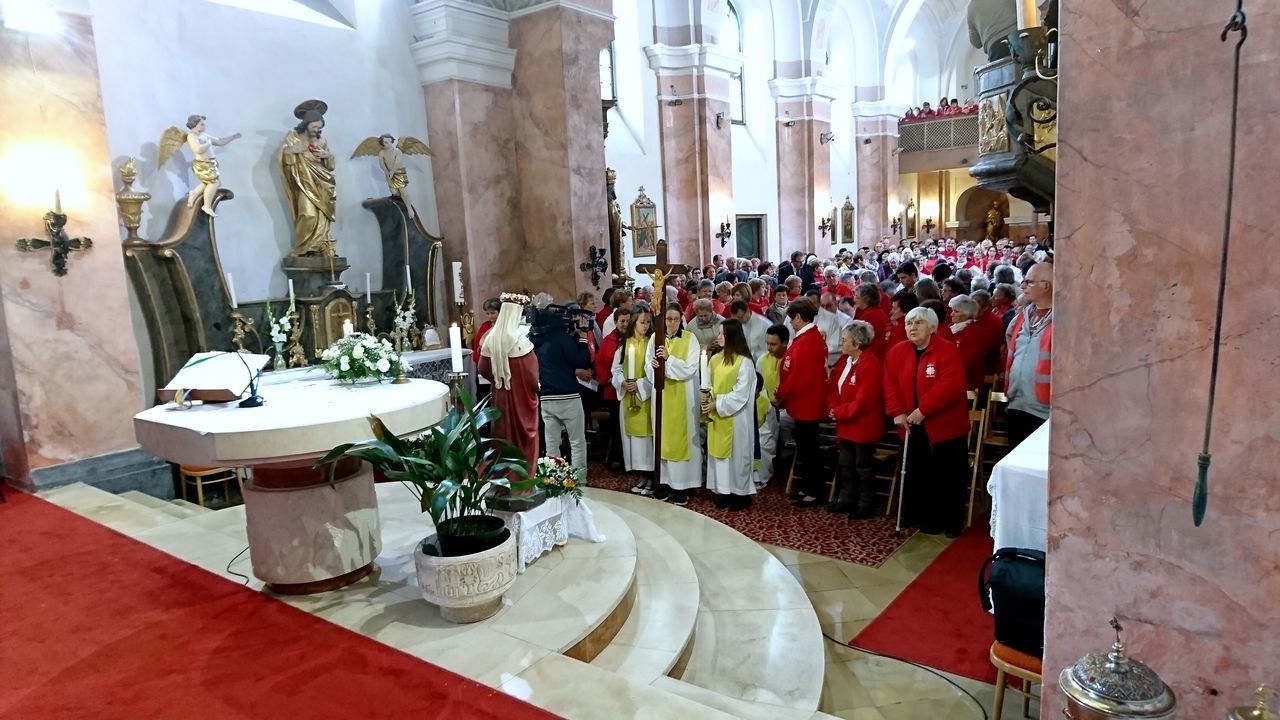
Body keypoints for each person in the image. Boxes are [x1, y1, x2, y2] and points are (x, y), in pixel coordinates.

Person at [883, 306, 971, 536]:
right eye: (909, 323)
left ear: (931, 327)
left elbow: (951, 386)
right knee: (917, 472)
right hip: (911, 425)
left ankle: (952, 520)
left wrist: (923, 409)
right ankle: (923, 516)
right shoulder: (897, 352)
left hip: (945, 426)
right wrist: (897, 412)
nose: (912, 327)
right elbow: (890, 385)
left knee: (948, 475)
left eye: (918, 323)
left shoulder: (946, 350)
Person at [773, 300, 828, 507]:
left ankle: (815, 490)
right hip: (802, 403)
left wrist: (782, 393)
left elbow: (799, 378)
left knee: (810, 449)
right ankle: (807, 486)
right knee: (805, 448)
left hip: (807, 403)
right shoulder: (806, 338)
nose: (790, 322)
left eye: (791, 318)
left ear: (798, 317)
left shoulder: (808, 341)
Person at [646, 303, 703, 505]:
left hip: (684, 397)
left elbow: (689, 369)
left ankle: (682, 486)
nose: (671, 323)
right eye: (668, 319)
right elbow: (648, 364)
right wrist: (652, 367)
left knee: (682, 438)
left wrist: (668, 361)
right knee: (663, 438)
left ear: (681, 320)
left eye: (675, 319)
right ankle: (664, 482)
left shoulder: (690, 339)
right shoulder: (655, 338)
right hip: (661, 395)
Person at [478, 294, 540, 476]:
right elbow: (531, 376)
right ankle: (522, 482)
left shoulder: (490, 339)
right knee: (523, 439)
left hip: (500, 397)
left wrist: (499, 378)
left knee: (503, 436)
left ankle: (503, 481)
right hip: (521, 400)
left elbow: (483, 368)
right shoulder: (521, 342)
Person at [828, 321, 885, 519]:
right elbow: (834, 386)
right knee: (845, 464)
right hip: (846, 423)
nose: (841, 344)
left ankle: (866, 503)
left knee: (863, 466)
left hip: (863, 425)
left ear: (857, 342)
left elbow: (864, 401)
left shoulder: (870, 364)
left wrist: (840, 412)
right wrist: (834, 408)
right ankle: (846, 500)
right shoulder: (845, 361)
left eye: (844, 340)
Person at [703, 319, 758, 510]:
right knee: (720, 458)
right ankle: (724, 491)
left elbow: (740, 394)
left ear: (731, 336)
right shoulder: (716, 359)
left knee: (737, 457)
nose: (718, 337)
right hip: (718, 417)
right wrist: (706, 396)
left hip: (737, 419)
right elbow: (708, 384)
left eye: (721, 334)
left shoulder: (745, 362)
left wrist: (716, 404)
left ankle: (740, 495)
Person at [532, 304, 593, 473]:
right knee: (577, 442)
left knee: (552, 443)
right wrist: (582, 336)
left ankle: (553, 480)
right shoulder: (561, 338)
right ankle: (580, 481)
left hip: (546, 397)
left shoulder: (534, 339)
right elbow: (580, 360)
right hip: (568, 396)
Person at [1005, 261, 1053, 445]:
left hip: (1044, 409)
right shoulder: (1023, 317)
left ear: (1045, 286)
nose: (1022, 285)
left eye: (1029, 282)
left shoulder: (1063, 319)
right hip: (1017, 403)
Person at [280, 104, 338, 256]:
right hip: (304, 181)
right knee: (308, 214)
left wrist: (327, 156)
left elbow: (330, 165)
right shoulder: (293, 137)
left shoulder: (322, 141)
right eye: (314, 126)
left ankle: (321, 245)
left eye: (319, 127)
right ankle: (302, 248)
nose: (317, 130)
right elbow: (284, 157)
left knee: (323, 215)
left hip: (323, 182)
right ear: (305, 124)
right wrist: (292, 150)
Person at [612, 308, 655, 494]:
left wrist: (639, 384)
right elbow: (616, 369)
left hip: (645, 397)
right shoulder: (624, 345)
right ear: (634, 323)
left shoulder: (651, 344)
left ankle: (651, 477)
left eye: (647, 322)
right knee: (634, 442)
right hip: (628, 397)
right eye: (641, 322)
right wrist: (622, 382)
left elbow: (654, 372)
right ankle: (641, 475)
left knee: (647, 440)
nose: (645, 326)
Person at [181, 115, 240, 216]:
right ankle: (206, 206)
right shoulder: (191, 136)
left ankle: (194, 193)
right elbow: (197, 150)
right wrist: (208, 144)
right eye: (202, 124)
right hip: (203, 164)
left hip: (211, 163)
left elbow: (220, 142)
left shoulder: (204, 135)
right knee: (214, 183)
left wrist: (233, 137)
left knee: (209, 182)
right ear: (195, 125)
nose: (204, 126)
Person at [596, 306, 631, 471]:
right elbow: (600, 362)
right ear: (615, 322)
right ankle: (619, 458)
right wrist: (609, 379)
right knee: (617, 427)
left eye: (627, 321)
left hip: (630, 388)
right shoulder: (609, 340)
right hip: (613, 390)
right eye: (622, 321)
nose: (625, 324)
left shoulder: (633, 338)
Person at [757, 324, 789, 486]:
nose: (769, 347)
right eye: (767, 343)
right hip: (767, 407)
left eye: (773, 344)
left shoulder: (790, 359)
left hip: (788, 408)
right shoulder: (762, 360)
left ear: (784, 343)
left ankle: (785, 467)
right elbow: (759, 388)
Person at [947, 294, 993, 392]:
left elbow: (967, 362)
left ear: (966, 314)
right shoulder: (953, 328)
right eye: (952, 310)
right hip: (952, 380)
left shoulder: (974, 333)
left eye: (956, 311)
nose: (951, 314)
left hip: (967, 385)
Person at [853, 284, 890, 358]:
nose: (854, 299)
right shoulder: (874, 312)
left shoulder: (871, 315)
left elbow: (860, 340)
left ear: (865, 299)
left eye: (857, 297)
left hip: (873, 355)